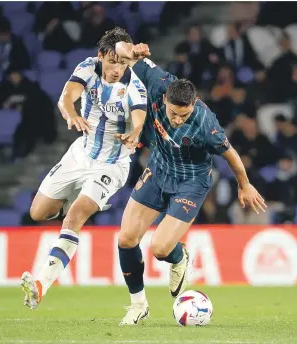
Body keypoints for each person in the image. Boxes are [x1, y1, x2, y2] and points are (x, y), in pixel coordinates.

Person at [114, 41, 267, 325]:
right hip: (159, 168)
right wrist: (130, 50)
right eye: (173, 113)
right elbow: (119, 48)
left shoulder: (206, 123)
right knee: (125, 239)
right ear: (166, 99)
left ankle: (178, 255)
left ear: (193, 105)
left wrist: (244, 185)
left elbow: (230, 153)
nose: (176, 119)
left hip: (191, 181)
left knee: (160, 248)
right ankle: (138, 305)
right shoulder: (158, 82)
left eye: (183, 115)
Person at [20, 28, 148, 310]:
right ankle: (77, 202)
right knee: (37, 212)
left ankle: (40, 285)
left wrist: (135, 133)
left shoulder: (135, 87)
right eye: (113, 61)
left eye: (123, 63)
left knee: (76, 216)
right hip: (79, 154)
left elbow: (139, 119)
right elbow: (66, 97)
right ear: (100, 55)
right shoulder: (87, 68)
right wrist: (71, 115)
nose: (117, 69)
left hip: (111, 165)